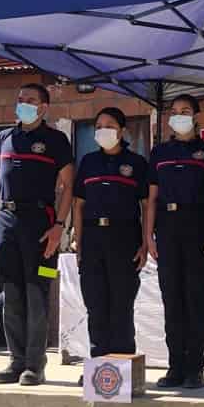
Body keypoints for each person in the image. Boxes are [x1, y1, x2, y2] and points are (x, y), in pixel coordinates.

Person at [0, 83, 74, 386]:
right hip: (7, 223)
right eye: (20, 99)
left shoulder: (56, 140)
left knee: (36, 295)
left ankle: (35, 365)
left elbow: (68, 186)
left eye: (31, 101)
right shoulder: (3, 138)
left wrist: (59, 226)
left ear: (43, 107)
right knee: (12, 294)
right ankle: (16, 361)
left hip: (41, 223)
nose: (23, 104)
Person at [146, 94, 204, 389]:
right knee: (172, 301)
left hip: (199, 227)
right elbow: (151, 199)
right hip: (167, 228)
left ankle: (195, 368)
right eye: (174, 112)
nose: (179, 116)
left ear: (196, 116)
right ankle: (175, 366)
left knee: (196, 300)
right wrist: (148, 236)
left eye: (185, 111)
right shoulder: (159, 152)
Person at [74, 107, 148, 384]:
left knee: (121, 306)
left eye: (110, 125)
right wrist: (79, 242)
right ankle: (98, 368)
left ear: (122, 131)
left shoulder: (137, 164)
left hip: (124, 238)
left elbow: (145, 205)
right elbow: (78, 205)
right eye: (99, 126)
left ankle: (121, 370)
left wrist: (143, 242)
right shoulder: (88, 162)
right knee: (96, 305)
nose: (103, 130)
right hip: (93, 238)